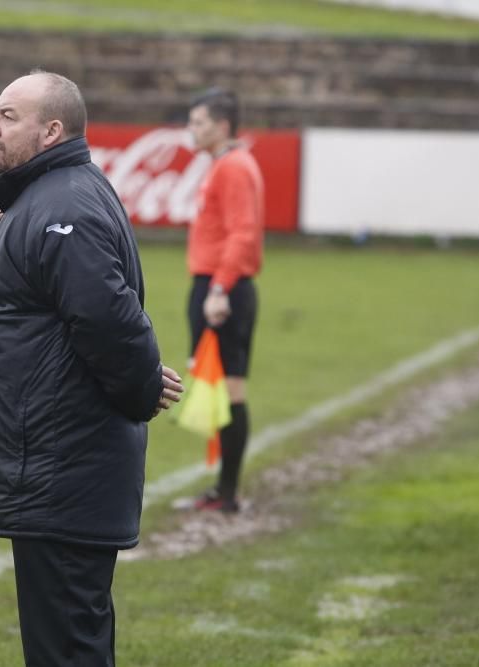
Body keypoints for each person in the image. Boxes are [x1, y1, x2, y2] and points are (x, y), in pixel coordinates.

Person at [0, 70, 183, 666]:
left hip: (61, 470)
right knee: (64, 643)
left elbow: (107, 318)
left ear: (51, 131)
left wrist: (142, 384)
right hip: (54, 470)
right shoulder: (55, 197)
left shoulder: (61, 205)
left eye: (8, 116)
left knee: (67, 648)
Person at [178, 88, 264, 514]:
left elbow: (243, 233)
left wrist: (218, 289)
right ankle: (222, 488)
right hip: (213, 283)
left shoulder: (233, 168)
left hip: (222, 288)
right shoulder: (223, 165)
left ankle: (228, 492)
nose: (191, 130)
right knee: (216, 388)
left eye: (198, 122)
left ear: (222, 126)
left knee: (229, 387)